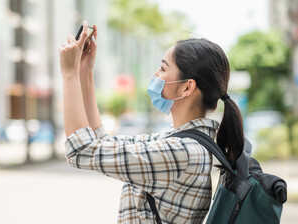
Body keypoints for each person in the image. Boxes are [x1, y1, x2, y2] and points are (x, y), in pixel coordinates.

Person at [59, 21, 244, 224]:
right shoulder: (180, 141)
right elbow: (100, 142)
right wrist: (84, 73)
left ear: (187, 87)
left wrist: (69, 74)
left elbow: (81, 150)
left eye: (163, 69)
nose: (155, 75)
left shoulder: (181, 151)